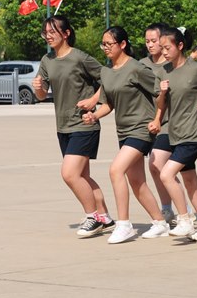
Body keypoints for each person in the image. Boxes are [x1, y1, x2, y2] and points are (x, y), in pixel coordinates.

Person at [82, 27, 166, 244]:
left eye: (109, 44)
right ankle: (160, 223)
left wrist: (158, 119)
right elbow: (109, 103)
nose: (105, 48)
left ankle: (124, 224)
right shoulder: (107, 72)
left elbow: (161, 94)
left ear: (122, 44)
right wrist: (94, 116)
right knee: (137, 181)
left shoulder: (136, 68)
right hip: (124, 131)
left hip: (141, 129)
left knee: (115, 170)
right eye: (103, 44)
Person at [32, 15, 110, 237]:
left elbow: (109, 79)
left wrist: (94, 101)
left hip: (84, 124)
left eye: (52, 32)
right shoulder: (47, 60)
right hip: (63, 126)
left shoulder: (80, 58)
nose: (48, 36)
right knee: (82, 177)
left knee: (69, 174)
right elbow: (41, 95)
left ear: (66, 33)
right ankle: (105, 217)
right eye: (45, 32)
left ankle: (92, 217)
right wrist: (38, 87)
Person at [155, 27, 197, 238]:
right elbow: (160, 104)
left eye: (167, 47)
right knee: (190, 181)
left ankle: (185, 219)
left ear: (180, 46)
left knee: (166, 174)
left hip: (194, 132)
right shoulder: (163, 71)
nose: (164, 52)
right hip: (176, 133)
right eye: (162, 48)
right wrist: (162, 92)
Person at [138, 22, 187, 226]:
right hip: (146, 124)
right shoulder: (141, 65)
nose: (150, 45)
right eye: (147, 41)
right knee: (155, 168)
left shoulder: (172, 65)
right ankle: (168, 209)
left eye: (154, 41)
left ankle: (182, 212)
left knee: (158, 165)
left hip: (168, 123)